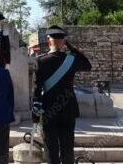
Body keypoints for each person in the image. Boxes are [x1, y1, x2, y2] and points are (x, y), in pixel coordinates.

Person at [35, 26, 91, 164]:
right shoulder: (71, 60)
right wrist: (72, 48)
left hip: (49, 111)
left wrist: (35, 116)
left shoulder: (41, 61)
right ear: (63, 42)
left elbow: (36, 90)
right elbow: (88, 65)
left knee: (51, 150)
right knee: (67, 149)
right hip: (68, 110)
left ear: (49, 42)